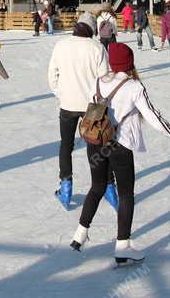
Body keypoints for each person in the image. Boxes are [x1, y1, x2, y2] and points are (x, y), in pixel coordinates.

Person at [68, 43, 170, 266]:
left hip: (96, 142)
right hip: (120, 146)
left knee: (97, 187)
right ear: (129, 63)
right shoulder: (134, 87)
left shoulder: (98, 81)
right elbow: (155, 118)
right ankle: (123, 245)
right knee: (126, 194)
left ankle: (80, 233)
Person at [47, 19, 111, 210]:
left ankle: (66, 186)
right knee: (99, 144)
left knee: (66, 145)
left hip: (67, 104)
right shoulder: (97, 47)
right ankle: (108, 186)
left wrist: (60, 93)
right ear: (91, 29)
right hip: (92, 105)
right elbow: (105, 78)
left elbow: (52, 74)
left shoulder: (61, 45)